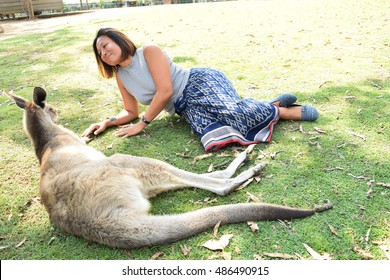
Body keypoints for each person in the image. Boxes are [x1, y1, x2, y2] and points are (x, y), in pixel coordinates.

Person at [82, 27, 319, 152]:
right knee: (214, 137)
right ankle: (272, 106)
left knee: (234, 114)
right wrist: (109, 121)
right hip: (184, 108)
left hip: (198, 83)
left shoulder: (149, 52)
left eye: (105, 45)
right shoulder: (122, 77)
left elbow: (164, 91)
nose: (103, 52)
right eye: (99, 52)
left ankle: (281, 111)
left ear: (119, 40)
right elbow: (129, 111)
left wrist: (143, 124)